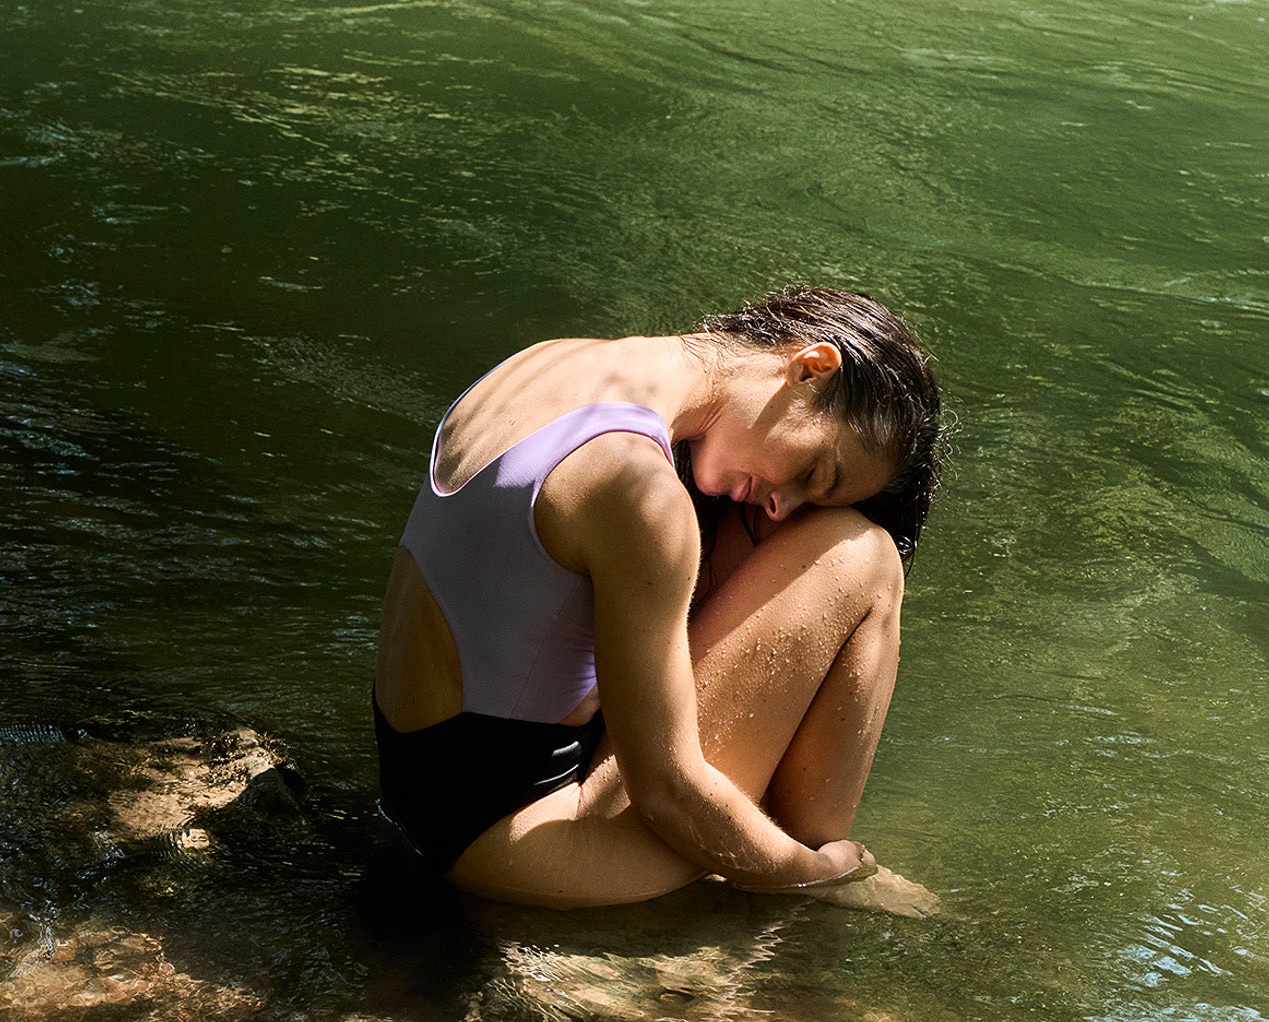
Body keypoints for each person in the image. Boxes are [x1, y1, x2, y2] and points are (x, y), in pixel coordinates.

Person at [373, 286, 945, 911]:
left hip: (419, 802)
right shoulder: (635, 489)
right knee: (862, 554)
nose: (785, 504)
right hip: (522, 855)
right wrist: (811, 873)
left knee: (768, 527)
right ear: (812, 366)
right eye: (814, 473)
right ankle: (813, 874)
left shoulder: (547, 364)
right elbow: (667, 794)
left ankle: (775, 852)